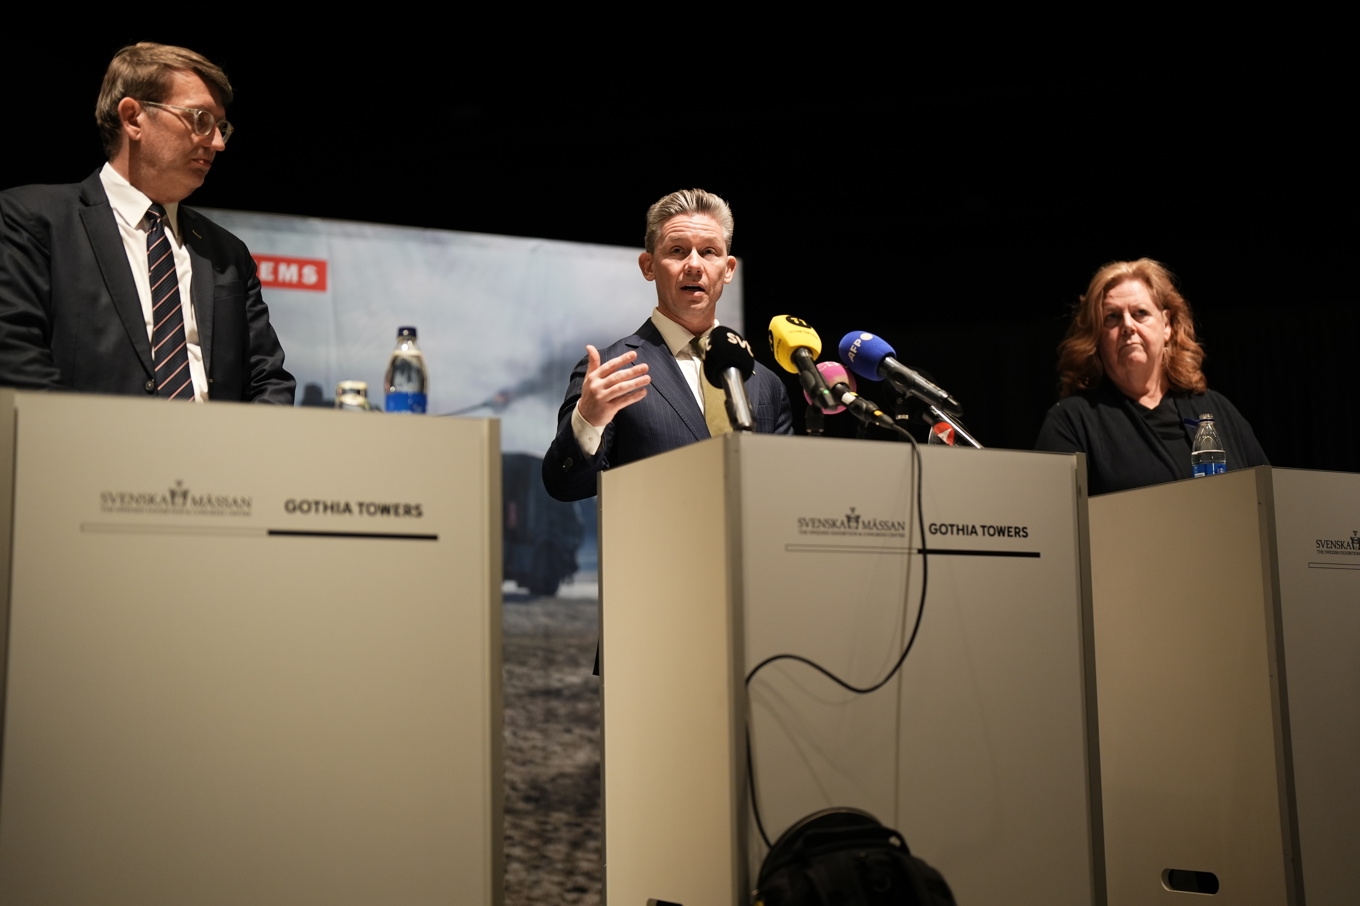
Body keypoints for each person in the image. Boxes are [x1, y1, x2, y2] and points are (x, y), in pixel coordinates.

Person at [0, 42, 294, 403]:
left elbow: (269, 380)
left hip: (218, 454)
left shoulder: (227, 253)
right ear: (133, 118)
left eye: (220, 126)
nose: (218, 143)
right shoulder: (32, 219)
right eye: (200, 120)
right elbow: (15, 357)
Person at [542, 188, 792, 502]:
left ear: (727, 269)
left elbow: (784, 492)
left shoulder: (765, 382)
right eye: (677, 250)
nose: (694, 265)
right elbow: (563, 485)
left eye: (709, 252)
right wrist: (588, 419)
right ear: (648, 266)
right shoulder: (611, 371)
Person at [1035, 258, 1267, 495]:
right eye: (1112, 317)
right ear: (1096, 336)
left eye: (1140, 313)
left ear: (1166, 325)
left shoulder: (1219, 410)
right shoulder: (1072, 422)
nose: (1127, 326)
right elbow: (1053, 519)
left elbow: (1268, 500)